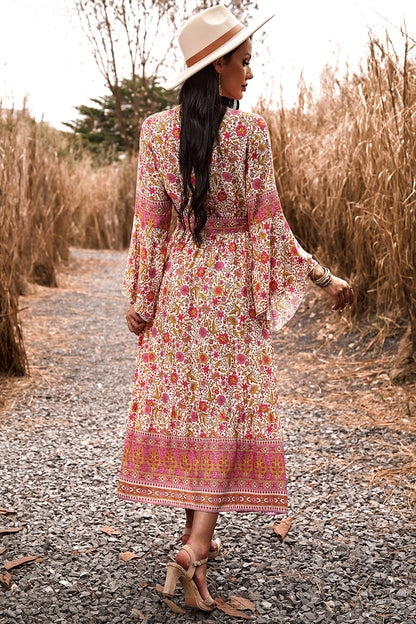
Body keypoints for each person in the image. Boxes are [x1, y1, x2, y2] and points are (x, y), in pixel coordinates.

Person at [117, 4, 354, 612]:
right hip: (230, 295)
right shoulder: (250, 135)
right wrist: (323, 277)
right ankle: (195, 546)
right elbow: (270, 225)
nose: (251, 73)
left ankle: (197, 539)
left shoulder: (154, 131)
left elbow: (148, 226)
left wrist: (141, 301)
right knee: (226, 417)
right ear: (217, 63)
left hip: (178, 293)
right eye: (244, 62)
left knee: (196, 415)